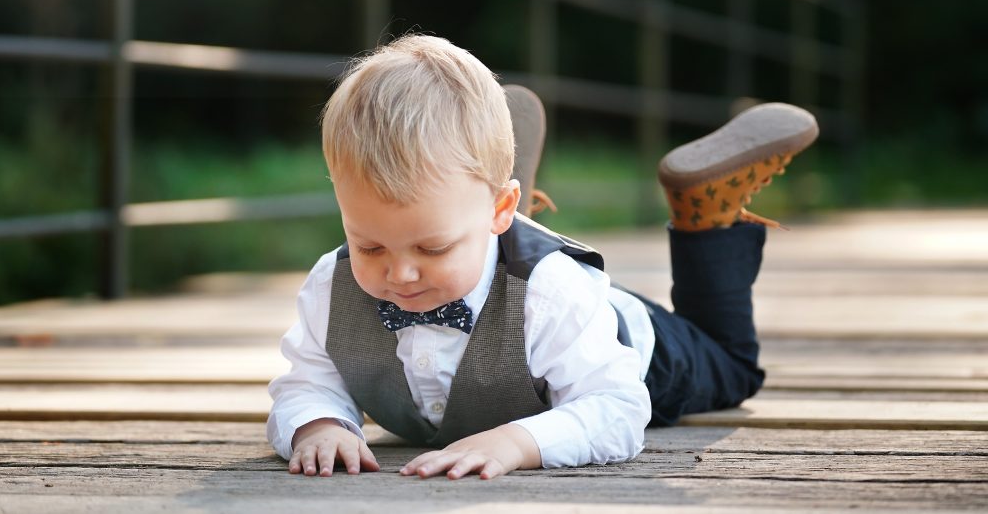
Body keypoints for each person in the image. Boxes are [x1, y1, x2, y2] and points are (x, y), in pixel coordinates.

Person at [266, 34, 818, 480]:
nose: (399, 273)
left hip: (622, 342)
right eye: (369, 245)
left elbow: (618, 409)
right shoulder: (330, 288)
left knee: (733, 367)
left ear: (496, 210)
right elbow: (306, 381)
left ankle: (706, 214)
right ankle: (491, 213)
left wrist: (519, 440)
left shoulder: (553, 294)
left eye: (432, 247)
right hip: (526, 311)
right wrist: (317, 424)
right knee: (489, 277)